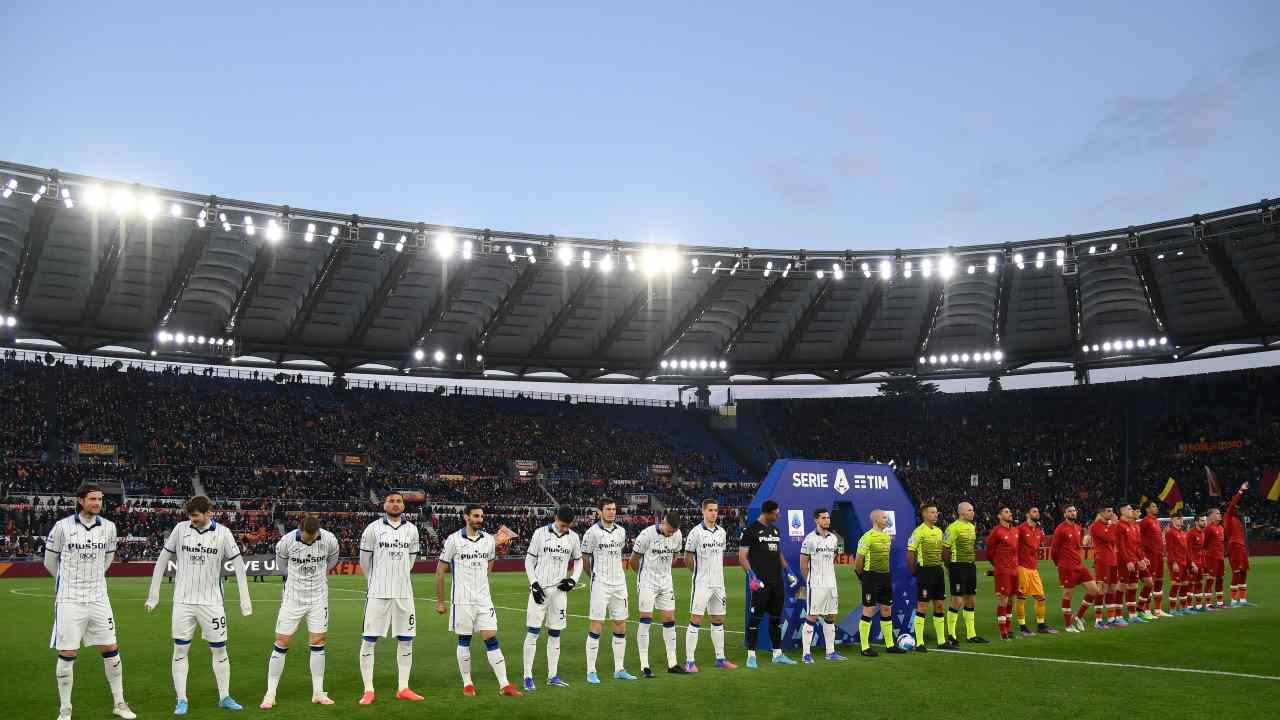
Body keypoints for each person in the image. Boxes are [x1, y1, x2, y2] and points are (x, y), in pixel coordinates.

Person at [146, 495, 253, 714]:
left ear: (208, 513)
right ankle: (181, 699)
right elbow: (162, 561)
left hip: (212, 603)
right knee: (180, 649)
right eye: (190, 516)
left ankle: (224, 696)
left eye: (195, 516)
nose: (192, 520)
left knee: (220, 649)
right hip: (183, 601)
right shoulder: (180, 529)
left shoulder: (223, 533)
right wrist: (153, 594)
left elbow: (239, 566)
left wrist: (245, 600)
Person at [45, 483, 137, 720]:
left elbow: (108, 559)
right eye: (93, 499)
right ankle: (65, 709)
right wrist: (68, 582)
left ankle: (119, 703)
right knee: (67, 652)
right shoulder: (61, 526)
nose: (97, 503)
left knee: (111, 649)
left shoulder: (109, 527)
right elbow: (50, 562)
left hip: (98, 597)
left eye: (100, 499)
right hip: (70, 599)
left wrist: (93, 579)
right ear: (80, 500)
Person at [434, 505, 522, 697]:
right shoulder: (453, 540)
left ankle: (504, 684)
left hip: (484, 599)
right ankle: (467, 683)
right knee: (464, 640)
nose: (479, 519)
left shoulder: (489, 541)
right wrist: (440, 601)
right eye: (475, 516)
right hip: (462, 600)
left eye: (481, 516)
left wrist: (483, 576)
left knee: (491, 637)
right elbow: (440, 570)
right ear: (466, 517)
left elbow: (490, 562)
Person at [260, 513, 340, 709]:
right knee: (281, 642)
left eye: (314, 537)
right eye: (307, 537)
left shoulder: (329, 539)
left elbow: (332, 561)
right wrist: (298, 577)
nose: (311, 539)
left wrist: (318, 573)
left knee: (318, 642)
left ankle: (318, 692)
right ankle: (270, 693)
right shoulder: (286, 542)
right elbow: (282, 566)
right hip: (293, 598)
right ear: (300, 529)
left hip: (318, 597)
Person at [356, 492, 423, 704]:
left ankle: (403, 687)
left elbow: (412, 558)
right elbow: (364, 560)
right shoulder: (373, 529)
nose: (395, 504)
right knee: (369, 639)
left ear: (404, 505)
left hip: (404, 593)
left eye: (399, 501)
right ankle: (368, 689)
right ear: (384, 505)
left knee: (406, 640)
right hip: (378, 593)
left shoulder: (412, 530)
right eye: (391, 501)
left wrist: (401, 576)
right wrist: (373, 581)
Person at [523, 505, 584, 689]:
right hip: (540, 591)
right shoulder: (540, 533)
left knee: (555, 634)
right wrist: (533, 584)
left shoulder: (573, 537)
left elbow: (579, 559)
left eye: (567, 526)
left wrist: (573, 579)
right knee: (533, 632)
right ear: (555, 518)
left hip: (559, 593)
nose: (564, 528)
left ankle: (553, 675)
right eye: (562, 524)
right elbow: (529, 560)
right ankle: (527, 676)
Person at [582, 497, 635, 683]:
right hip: (601, 584)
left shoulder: (621, 531)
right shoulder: (591, 533)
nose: (612, 512)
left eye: (614, 509)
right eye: (608, 509)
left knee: (620, 624)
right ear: (599, 511)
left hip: (619, 584)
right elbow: (584, 558)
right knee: (597, 625)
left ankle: (619, 669)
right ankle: (591, 671)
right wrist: (595, 577)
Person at [739, 500, 798, 667]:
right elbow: (742, 556)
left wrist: (788, 571)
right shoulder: (750, 530)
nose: (778, 515)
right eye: (776, 513)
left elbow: (778, 552)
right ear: (767, 513)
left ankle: (777, 654)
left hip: (777, 581)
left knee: (775, 618)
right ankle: (751, 655)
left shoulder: (775, 530)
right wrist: (752, 576)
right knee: (756, 618)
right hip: (760, 583)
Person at [631, 511, 687, 676]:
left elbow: (676, 555)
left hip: (666, 582)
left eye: (674, 531)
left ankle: (672, 663)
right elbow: (633, 560)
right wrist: (643, 578)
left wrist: (666, 567)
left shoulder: (677, 535)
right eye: (669, 530)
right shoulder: (646, 535)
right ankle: (645, 666)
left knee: (669, 619)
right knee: (646, 620)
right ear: (663, 522)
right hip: (647, 582)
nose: (671, 534)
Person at [684, 498, 736, 670]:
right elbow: (688, 557)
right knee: (696, 619)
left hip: (718, 584)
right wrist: (698, 574)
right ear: (703, 511)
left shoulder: (722, 532)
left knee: (718, 619)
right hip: (702, 583)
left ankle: (720, 658)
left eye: (716, 510)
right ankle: (690, 661)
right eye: (711, 510)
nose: (714, 513)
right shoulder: (695, 533)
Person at [853, 509, 906, 656]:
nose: (887, 520)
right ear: (876, 520)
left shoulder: (887, 537)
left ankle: (890, 645)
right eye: (884, 517)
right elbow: (858, 560)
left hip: (885, 576)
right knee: (869, 609)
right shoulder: (867, 537)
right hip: (871, 577)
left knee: (886, 609)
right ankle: (865, 648)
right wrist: (862, 576)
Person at [799, 508, 844, 662]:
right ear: (816, 520)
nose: (827, 520)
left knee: (831, 616)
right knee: (812, 616)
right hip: (816, 584)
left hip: (831, 584)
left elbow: (833, 558)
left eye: (828, 518)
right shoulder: (809, 539)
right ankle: (806, 654)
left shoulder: (833, 539)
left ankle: (830, 652)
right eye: (823, 518)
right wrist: (811, 581)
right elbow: (803, 564)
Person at [1049, 504, 1102, 632]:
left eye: (1074, 510)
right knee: (1067, 595)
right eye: (1070, 511)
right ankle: (1068, 625)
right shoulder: (1060, 529)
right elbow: (1054, 550)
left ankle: (1078, 616)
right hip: (1067, 567)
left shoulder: (1078, 528)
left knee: (1094, 590)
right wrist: (1059, 565)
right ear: (1065, 514)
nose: (1073, 513)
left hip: (1079, 566)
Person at [906, 503, 947, 651]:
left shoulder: (939, 531)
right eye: (932, 512)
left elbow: (942, 552)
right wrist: (915, 571)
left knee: (940, 605)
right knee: (922, 606)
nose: (936, 514)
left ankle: (942, 641)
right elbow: (910, 554)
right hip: (925, 572)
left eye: (936, 512)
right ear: (924, 515)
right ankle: (919, 642)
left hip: (938, 571)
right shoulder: (918, 532)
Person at [943, 501, 985, 645]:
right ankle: (951, 635)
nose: (972, 512)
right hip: (957, 566)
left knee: (971, 601)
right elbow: (945, 550)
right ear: (961, 512)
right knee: (957, 601)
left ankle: (971, 635)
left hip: (970, 566)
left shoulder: (972, 527)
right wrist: (950, 568)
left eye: (972, 510)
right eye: (969, 510)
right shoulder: (953, 528)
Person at [1014, 507, 1054, 635]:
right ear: (1027, 514)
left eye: (1038, 511)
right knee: (1022, 597)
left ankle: (1041, 625)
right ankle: (1023, 627)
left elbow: (1037, 545)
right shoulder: (1020, 529)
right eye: (1034, 511)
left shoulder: (1039, 530)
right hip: (1022, 567)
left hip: (1033, 568)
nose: (1037, 513)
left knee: (1041, 597)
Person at [984, 506, 1019, 641]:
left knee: (1012, 600)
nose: (1010, 513)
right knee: (1003, 600)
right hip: (1003, 571)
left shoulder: (1015, 531)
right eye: (1006, 512)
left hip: (1015, 571)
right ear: (999, 516)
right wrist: (999, 566)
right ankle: (1003, 631)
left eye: (1010, 511)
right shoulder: (996, 532)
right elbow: (989, 553)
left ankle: (1009, 629)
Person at [1115, 503, 1154, 623]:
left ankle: (1133, 615)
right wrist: (1127, 561)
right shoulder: (1120, 526)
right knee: (1122, 586)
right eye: (1129, 509)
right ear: (1121, 511)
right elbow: (1120, 547)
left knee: (1133, 586)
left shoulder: (1133, 526)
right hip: (1125, 561)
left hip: (1135, 560)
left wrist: (1142, 558)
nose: (1132, 510)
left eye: (1132, 509)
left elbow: (1137, 546)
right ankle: (1117, 616)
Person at [1139, 502, 1171, 617]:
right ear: (1147, 509)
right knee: (1150, 582)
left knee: (1159, 581)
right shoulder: (1145, 521)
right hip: (1150, 556)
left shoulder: (1156, 521)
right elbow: (1138, 538)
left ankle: (1158, 610)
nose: (1156, 508)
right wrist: (1142, 555)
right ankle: (1145, 609)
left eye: (1156, 506)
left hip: (1159, 556)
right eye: (1153, 506)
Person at [1223, 482, 1252, 607]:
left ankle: (1243, 599)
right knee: (1236, 572)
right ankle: (1234, 601)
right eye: (1235, 507)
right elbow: (1234, 503)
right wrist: (1241, 490)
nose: (1237, 508)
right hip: (1234, 547)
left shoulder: (1237, 520)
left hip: (1241, 547)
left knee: (1244, 571)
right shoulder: (1228, 516)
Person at [1163, 515, 1191, 616]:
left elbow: (1186, 550)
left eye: (1181, 518)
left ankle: (1184, 608)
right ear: (1173, 520)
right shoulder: (1170, 532)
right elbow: (1169, 549)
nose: (1181, 520)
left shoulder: (1183, 533)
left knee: (1185, 585)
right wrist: (1174, 562)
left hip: (1184, 563)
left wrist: (1189, 563)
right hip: (1176, 563)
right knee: (1175, 585)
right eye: (1178, 518)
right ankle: (1172, 609)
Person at [1203, 504, 1228, 609]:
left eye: (1219, 513)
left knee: (1220, 579)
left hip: (1220, 557)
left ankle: (1220, 603)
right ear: (1211, 516)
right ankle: (1208, 604)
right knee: (1210, 579)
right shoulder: (1208, 528)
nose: (1220, 515)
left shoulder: (1221, 527)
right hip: (1211, 558)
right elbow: (1204, 544)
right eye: (1217, 513)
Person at [1186, 516, 1208, 611]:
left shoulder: (1203, 533)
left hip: (1200, 562)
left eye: (1205, 521)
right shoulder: (1191, 533)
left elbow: (1202, 549)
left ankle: (1198, 606)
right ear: (1196, 522)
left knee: (1199, 582)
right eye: (1202, 521)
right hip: (1193, 562)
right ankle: (1189, 606)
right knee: (1190, 583)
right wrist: (1192, 563)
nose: (1204, 522)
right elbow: (1188, 549)